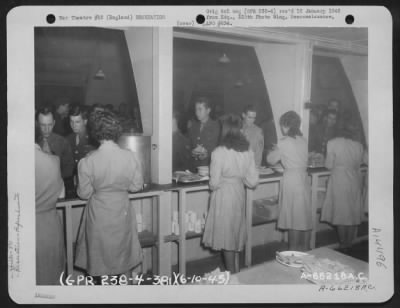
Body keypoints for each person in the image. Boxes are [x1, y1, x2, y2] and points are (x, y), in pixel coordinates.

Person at [74, 109, 144, 284]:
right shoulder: (130, 156)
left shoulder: (88, 161)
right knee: (124, 260)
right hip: (122, 212)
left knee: (100, 264)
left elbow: (84, 193)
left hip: (99, 216)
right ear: (116, 130)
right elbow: (136, 187)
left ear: (94, 132)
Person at [202, 114, 259, 273]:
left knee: (226, 237)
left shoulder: (219, 152)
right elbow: (253, 181)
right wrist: (239, 179)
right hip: (239, 194)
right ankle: (237, 272)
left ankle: (232, 275)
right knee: (234, 233)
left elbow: (213, 183)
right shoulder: (247, 150)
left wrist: (222, 181)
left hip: (224, 195)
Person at [267, 111, 312, 251]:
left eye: (282, 125)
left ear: (286, 125)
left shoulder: (283, 142)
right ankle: (305, 249)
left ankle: (293, 251)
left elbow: (270, 160)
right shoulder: (303, 140)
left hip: (291, 180)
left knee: (293, 219)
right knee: (303, 216)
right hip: (304, 179)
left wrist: (274, 149)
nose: (281, 128)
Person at [320, 121, 367, 252]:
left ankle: (343, 244)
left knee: (341, 213)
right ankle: (349, 243)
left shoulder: (333, 142)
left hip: (339, 178)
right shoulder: (358, 145)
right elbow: (359, 164)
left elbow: (329, 165)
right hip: (354, 178)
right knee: (351, 212)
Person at [35, 122, 65, 285]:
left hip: (26, 227)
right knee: (52, 279)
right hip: (50, 227)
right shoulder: (53, 160)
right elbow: (61, 193)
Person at [36, 106, 74, 180]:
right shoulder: (31, 142)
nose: (47, 129)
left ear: (54, 123)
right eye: (43, 125)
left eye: (50, 125)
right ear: (37, 124)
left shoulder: (63, 142)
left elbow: (69, 167)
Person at [66, 105, 97, 185]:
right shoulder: (68, 139)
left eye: (77, 122)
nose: (73, 125)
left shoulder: (93, 140)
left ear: (85, 121)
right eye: (71, 121)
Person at [188, 97, 220, 171]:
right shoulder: (193, 126)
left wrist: (207, 154)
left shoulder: (216, 126)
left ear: (208, 110)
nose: (197, 112)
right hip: (193, 168)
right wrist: (192, 153)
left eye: (200, 109)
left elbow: (218, 148)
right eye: (196, 109)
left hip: (208, 168)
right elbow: (188, 146)